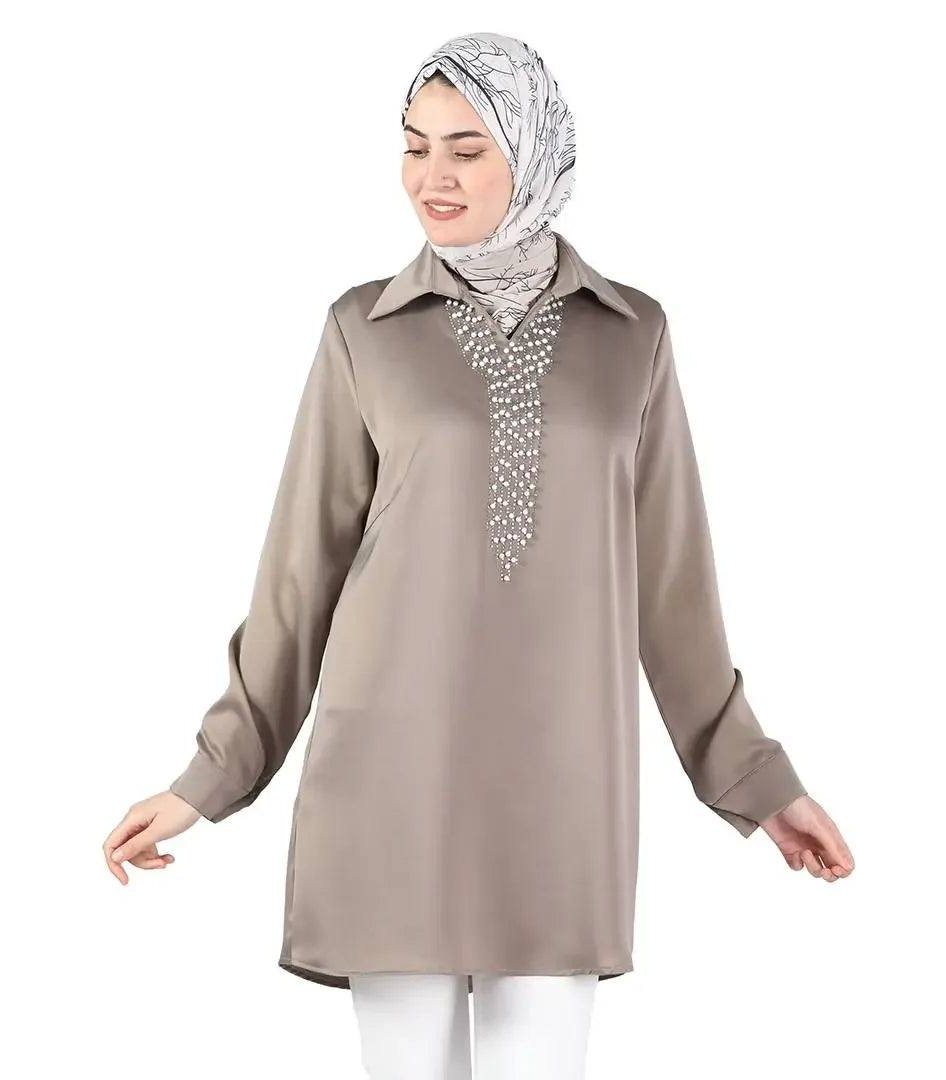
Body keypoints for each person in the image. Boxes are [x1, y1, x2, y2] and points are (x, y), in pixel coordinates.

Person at [103, 31, 855, 1080]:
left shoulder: (630, 333)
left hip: (563, 784)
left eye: (466, 149)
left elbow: (672, 592)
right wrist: (209, 777)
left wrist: (761, 785)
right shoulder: (365, 328)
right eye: (415, 147)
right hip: (389, 778)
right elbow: (298, 583)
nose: (433, 177)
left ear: (534, 151)